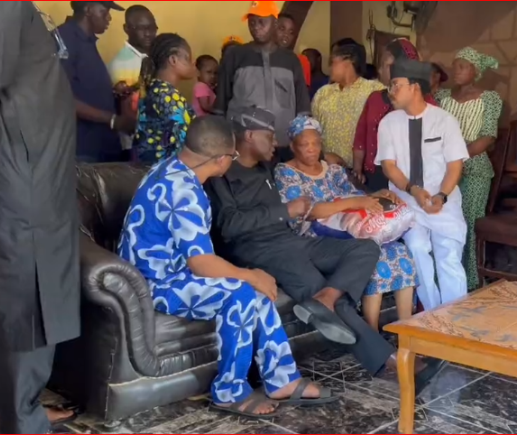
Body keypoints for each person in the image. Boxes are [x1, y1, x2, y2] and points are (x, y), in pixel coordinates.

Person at [119, 116, 335, 418]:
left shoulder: (170, 168)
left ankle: (282, 380)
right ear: (221, 160)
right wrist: (249, 274)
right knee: (242, 293)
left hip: (172, 273)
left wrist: (253, 277)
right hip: (154, 285)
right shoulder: (184, 192)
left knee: (256, 288)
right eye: (232, 156)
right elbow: (201, 263)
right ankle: (229, 391)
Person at [205, 107, 440, 381]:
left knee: (365, 247)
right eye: (269, 137)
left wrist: (330, 159)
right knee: (319, 290)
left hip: (290, 240)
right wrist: (286, 211)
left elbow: (309, 154)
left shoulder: (264, 166)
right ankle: (388, 361)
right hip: (257, 251)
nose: (274, 143)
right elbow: (228, 226)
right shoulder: (222, 175)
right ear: (248, 135)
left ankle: (327, 297)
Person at [0, 2, 80, 433]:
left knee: (9, 288)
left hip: (19, 162)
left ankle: (10, 408)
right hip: (19, 168)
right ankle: (20, 419)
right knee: (26, 289)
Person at [275, 115, 418, 331]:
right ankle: (372, 330)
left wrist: (377, 195)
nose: (312, 149)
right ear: (293, 147)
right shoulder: (285, 173)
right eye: (305, 145)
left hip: (349, 231)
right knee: (376, 258)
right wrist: (351, 202)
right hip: (315, 240)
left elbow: (358, 197)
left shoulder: (332, 170)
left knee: (399, 252)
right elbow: (308, 212)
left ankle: (408, 329)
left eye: (316, 143)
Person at [376, 59, 470, 310]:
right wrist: (413, 190)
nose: (391, 92)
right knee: (417, 250)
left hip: (443, 201)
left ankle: (454, 320)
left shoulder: (444, 120)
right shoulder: (388, 123)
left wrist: (441, 195)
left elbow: (454, 166)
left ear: (415, 87)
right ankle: (431, 316)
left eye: (396, 85)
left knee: (448, 256)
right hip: (407, 202)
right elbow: (389, 166)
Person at [437, 48, 503, 291]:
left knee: (468, 223)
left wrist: (458, 158)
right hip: (442, 170)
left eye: (463, 66)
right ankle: (444, 275)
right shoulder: (442, 97)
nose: (457, 70)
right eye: (455, 65)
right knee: (444, 222)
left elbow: (487, 136)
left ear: (476, 72)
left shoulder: (490, 98)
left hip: (474, 169)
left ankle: (470, 279)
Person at [217, 0, 311, 160]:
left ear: (275, 23)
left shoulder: (290, 60)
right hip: (244, 145)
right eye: (252, 22)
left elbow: (302, 105)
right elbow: (221, 102)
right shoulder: (235, 56)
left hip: (282, 143)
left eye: (262, 22)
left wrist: (302, 139)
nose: (256, 26)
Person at [353, 39, 438, 192]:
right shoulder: (375, 99)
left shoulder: (426, 102)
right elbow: (361, 137)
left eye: (386, 66)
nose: (379, 71)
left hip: (407, 178)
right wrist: (358, 169)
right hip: (374, 175)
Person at [59, 0, 136, 163]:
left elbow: (84, 87)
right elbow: (61, 98)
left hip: (103, 145)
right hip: (82, 148)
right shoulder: (64, 39)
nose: (109, 18)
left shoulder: (87, 41)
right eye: (104, 12)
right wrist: (114, 120)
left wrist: (113, 93)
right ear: (88, 9)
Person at [313, 40, 383, 169]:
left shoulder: (374, 91)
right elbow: (313, 129)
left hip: (360, 172)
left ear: (347, 62)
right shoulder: (323, 93)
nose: (330, 68)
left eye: (333, 63)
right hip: (325, 168)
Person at [132, 33, 197, 164]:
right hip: (167, 172)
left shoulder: (153, 88)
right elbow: (183, 142)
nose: (193, 64)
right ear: (173, 60)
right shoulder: (169, 96)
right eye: (188, 58)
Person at [107, 4, 158, 161]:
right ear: (127, 28)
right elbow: (128, 114)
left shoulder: (153, 57)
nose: (149, 34)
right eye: (142, 28)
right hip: (134, 142)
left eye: (152, 28)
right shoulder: (122, 64)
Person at [276, 13, 311, 87]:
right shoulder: (257, 57)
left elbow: (302, 94)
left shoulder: (301, 61)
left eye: (291, 32)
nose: (286, 35)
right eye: (282, 29)